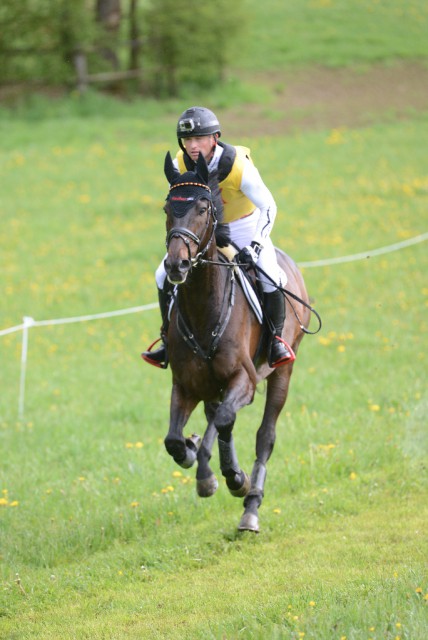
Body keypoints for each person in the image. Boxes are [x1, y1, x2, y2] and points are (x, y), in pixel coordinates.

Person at [142, 106, 294, 369]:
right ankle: (167, 340)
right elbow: (179, 207)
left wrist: (256, 246)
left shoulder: (238, 167)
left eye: (199, 138)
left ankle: (275, 341)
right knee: (161, 274)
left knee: (272, 276)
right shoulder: (180, 163)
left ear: (214, 138)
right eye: (187, 140)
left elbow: (269, 206)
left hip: (246, 226)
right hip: (205, 229)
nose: (192, 145)